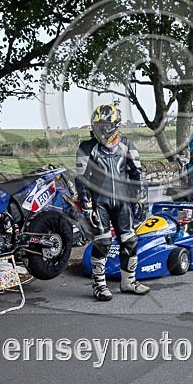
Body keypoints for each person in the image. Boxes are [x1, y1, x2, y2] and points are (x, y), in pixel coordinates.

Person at [76, 104, 149, 301]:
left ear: (115, 125)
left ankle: (129, 282)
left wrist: (141, 198)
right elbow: (81, 179)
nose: (101, 129)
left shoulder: (127, 144)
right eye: (98, 125)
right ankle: (99, 285)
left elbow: (137, 174)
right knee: (103, 243)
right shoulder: (86, 147)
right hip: (99, 203)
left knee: (130, 241)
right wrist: (87, 204)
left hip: (123, 202)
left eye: (105, 125)